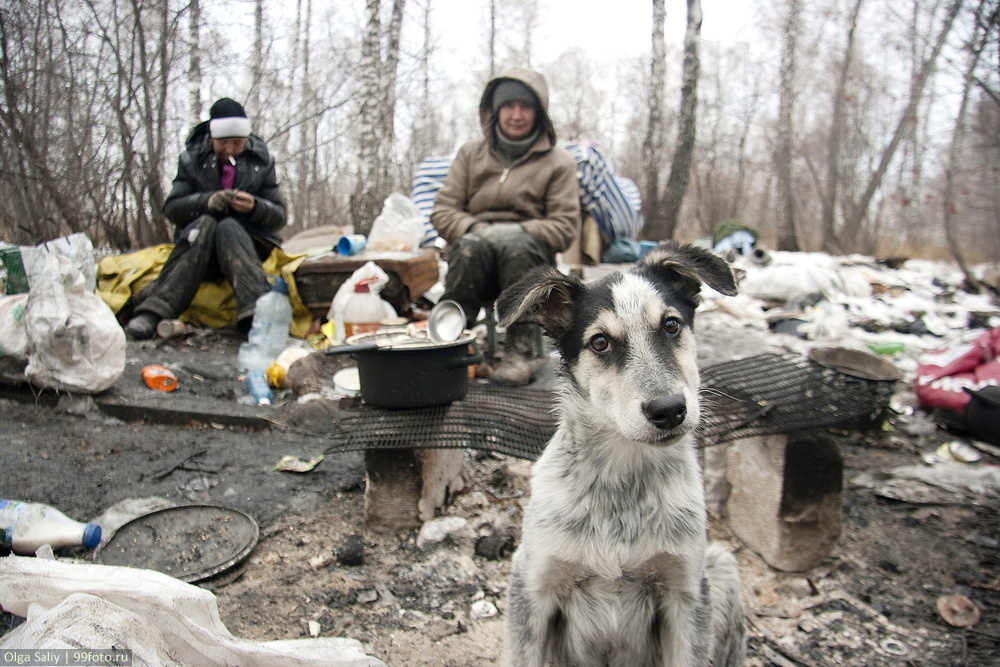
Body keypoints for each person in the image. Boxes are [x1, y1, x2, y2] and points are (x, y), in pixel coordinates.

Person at [431, 67, 580, 386]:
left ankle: (520, 352)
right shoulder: (470, 154)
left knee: (517, 245)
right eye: (508, 106)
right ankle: (450, 340)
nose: (516, 115)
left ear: (539, 114)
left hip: (528, 267)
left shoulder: (558, 163)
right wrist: (477, 228)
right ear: (494, 111)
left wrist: (519, 232)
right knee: (471, 246)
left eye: (525, 107)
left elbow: (565, 226)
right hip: (476, 262)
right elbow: (443, 210)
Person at [124, 98, 286, 339]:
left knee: (229, 226)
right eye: (224, 143)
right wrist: (205, 202)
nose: (230, 149)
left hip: (247, 247)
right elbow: (172, 208)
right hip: (200, 248)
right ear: (211, 139)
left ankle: (257, 314)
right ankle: (154, 311)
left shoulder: (260, 162)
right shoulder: (192, 160)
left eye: (237, 143)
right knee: (207, 224)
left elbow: (279, 215)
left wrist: (255, 207)